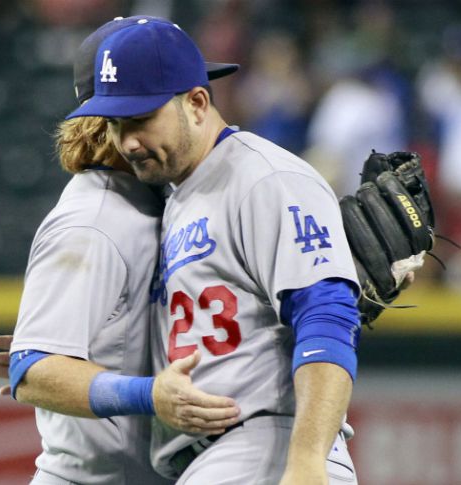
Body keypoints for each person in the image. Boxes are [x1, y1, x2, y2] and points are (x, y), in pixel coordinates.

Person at [65, 18, 361, 484]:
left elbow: (327, 316)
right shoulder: (180, 194)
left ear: (197, 103)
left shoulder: (264, 177)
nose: (128, 142)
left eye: (141, 119)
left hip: (268, 447)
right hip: (216, 459)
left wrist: (306, 464)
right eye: (117, 124)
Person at [0, 16, 243, 485]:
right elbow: (34, 371)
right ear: (107, 116)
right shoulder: (93, 220)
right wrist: (144, 393)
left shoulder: (167, 198)